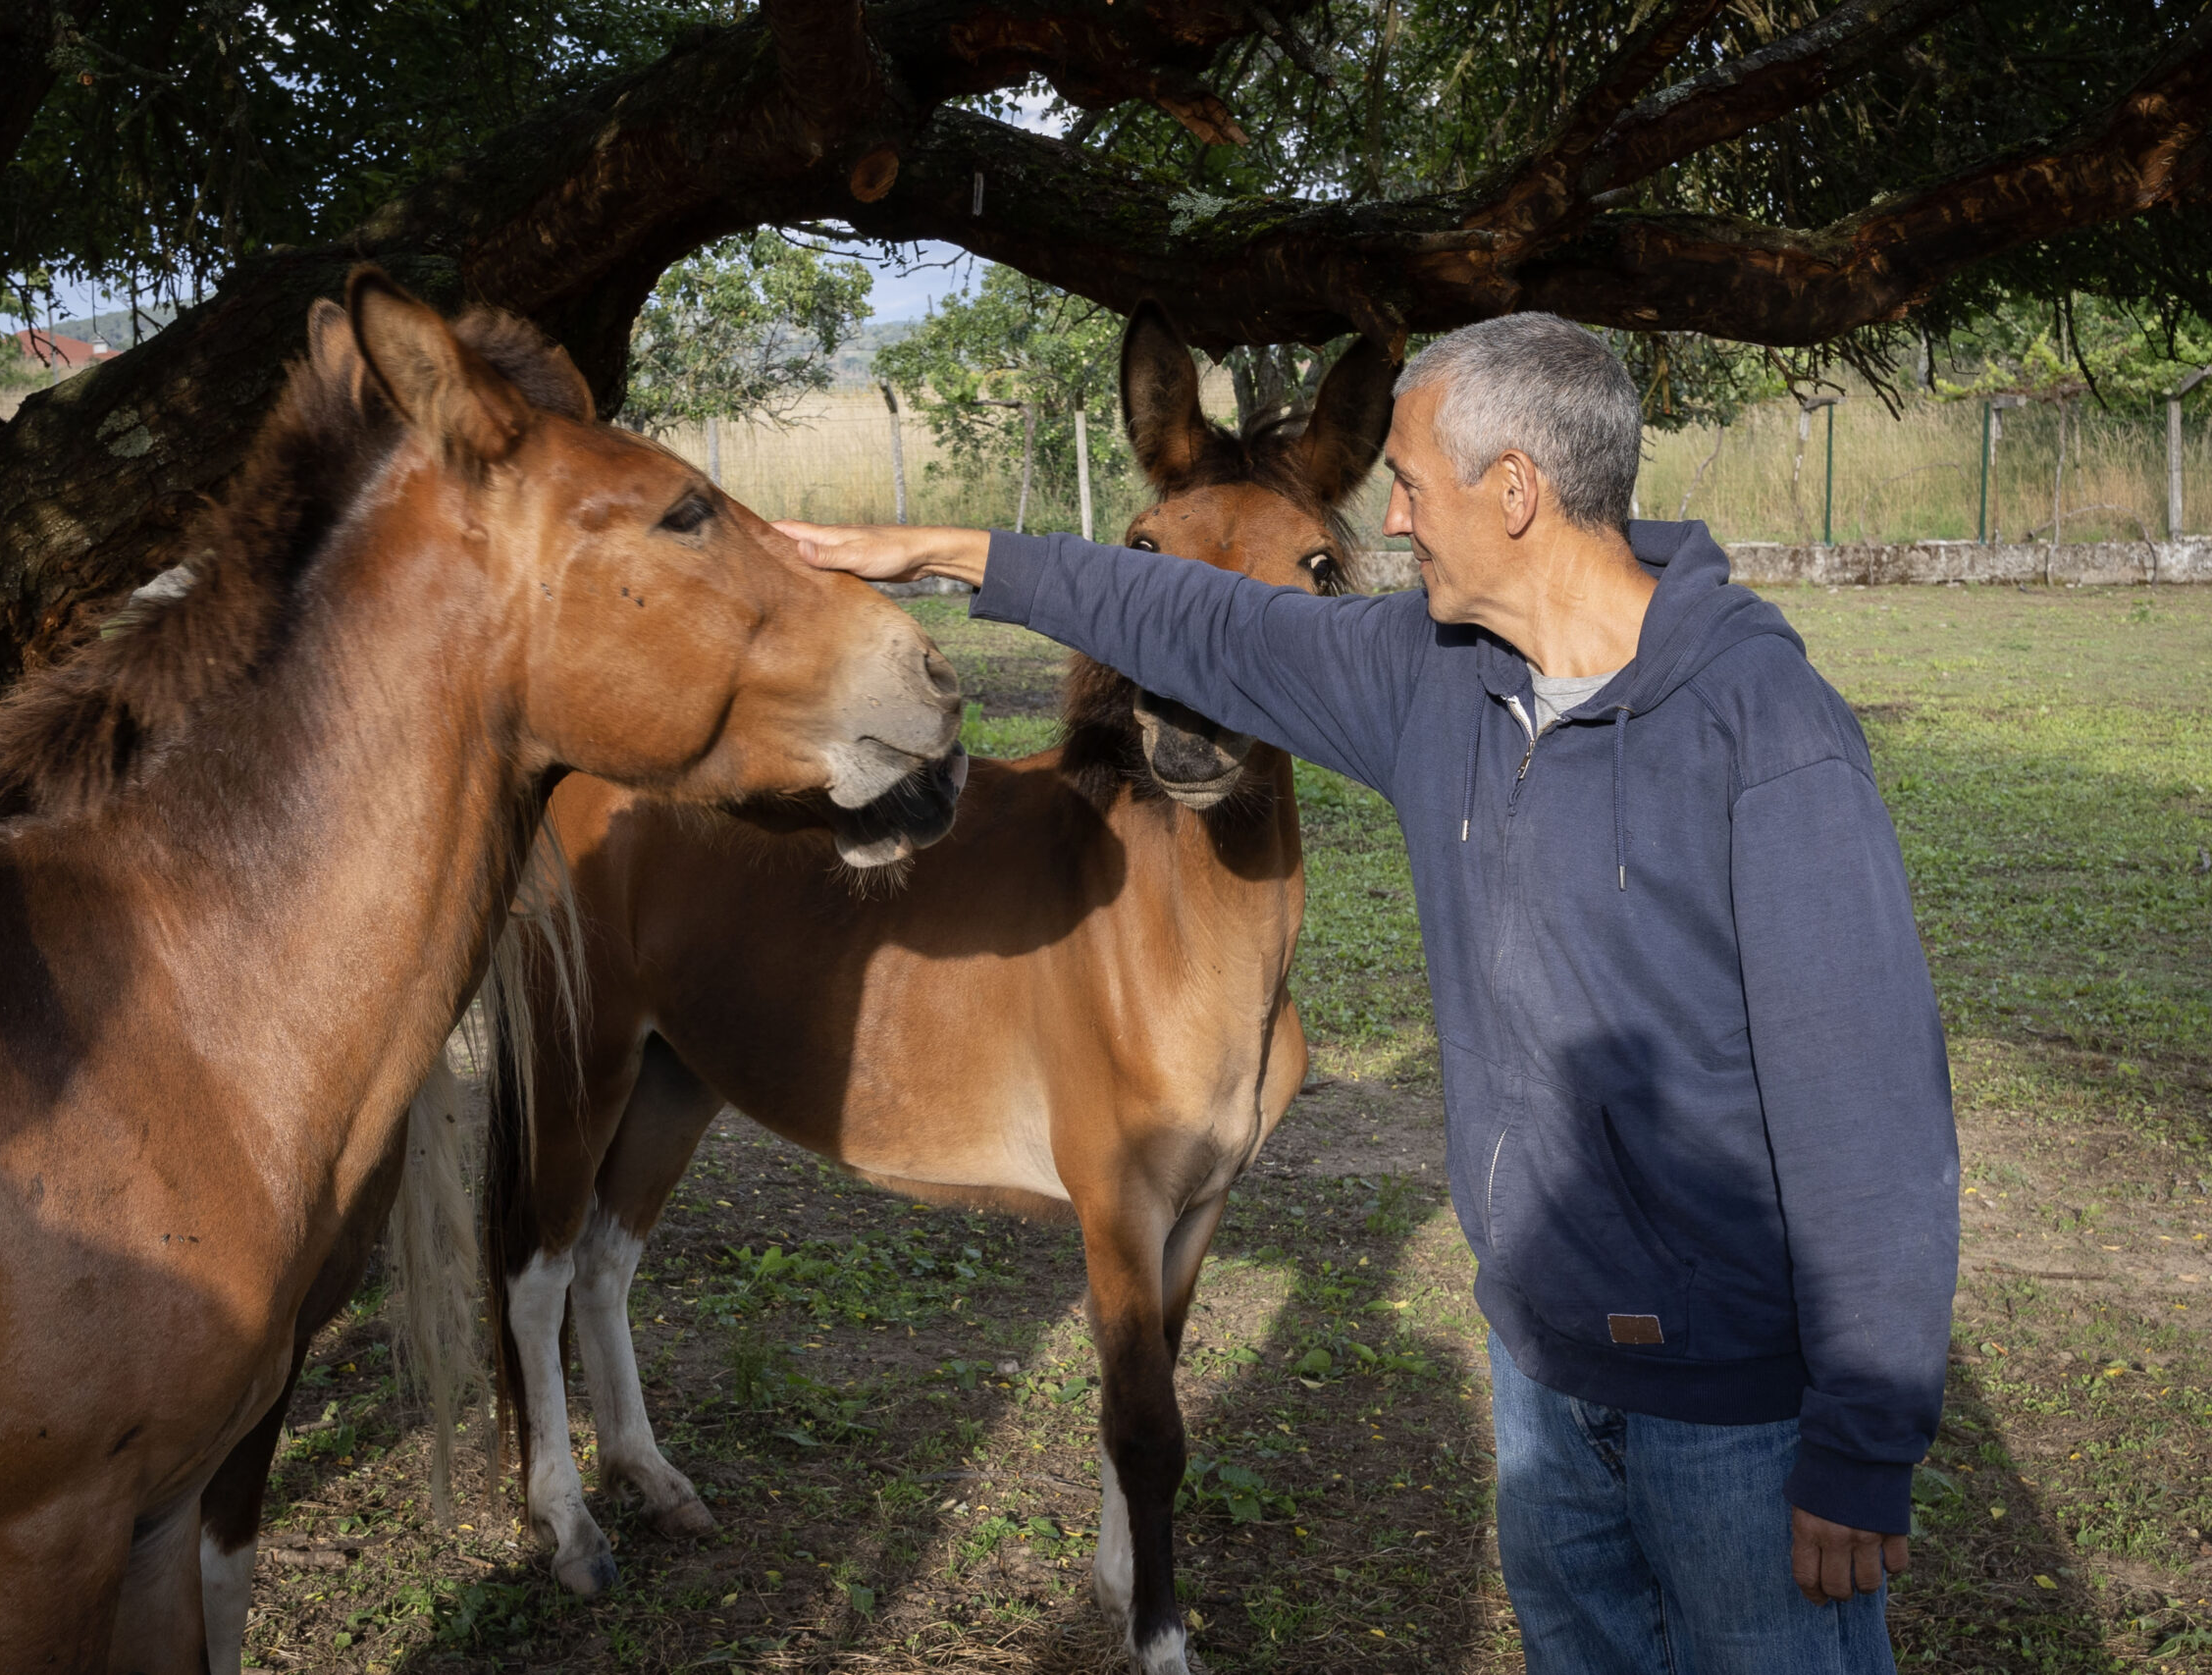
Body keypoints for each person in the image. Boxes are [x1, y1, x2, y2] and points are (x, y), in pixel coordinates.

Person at [776, 312, 1958, 1674]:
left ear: (1514, 490)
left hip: (1734, 1419)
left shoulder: (1766, 727)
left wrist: (1865, 1446)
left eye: (1410, 482)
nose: (1390, 522)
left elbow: (1871, 1113)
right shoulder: (1434, 679)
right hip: (1545, 1372)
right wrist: (949, 551)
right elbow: (1204, 612)